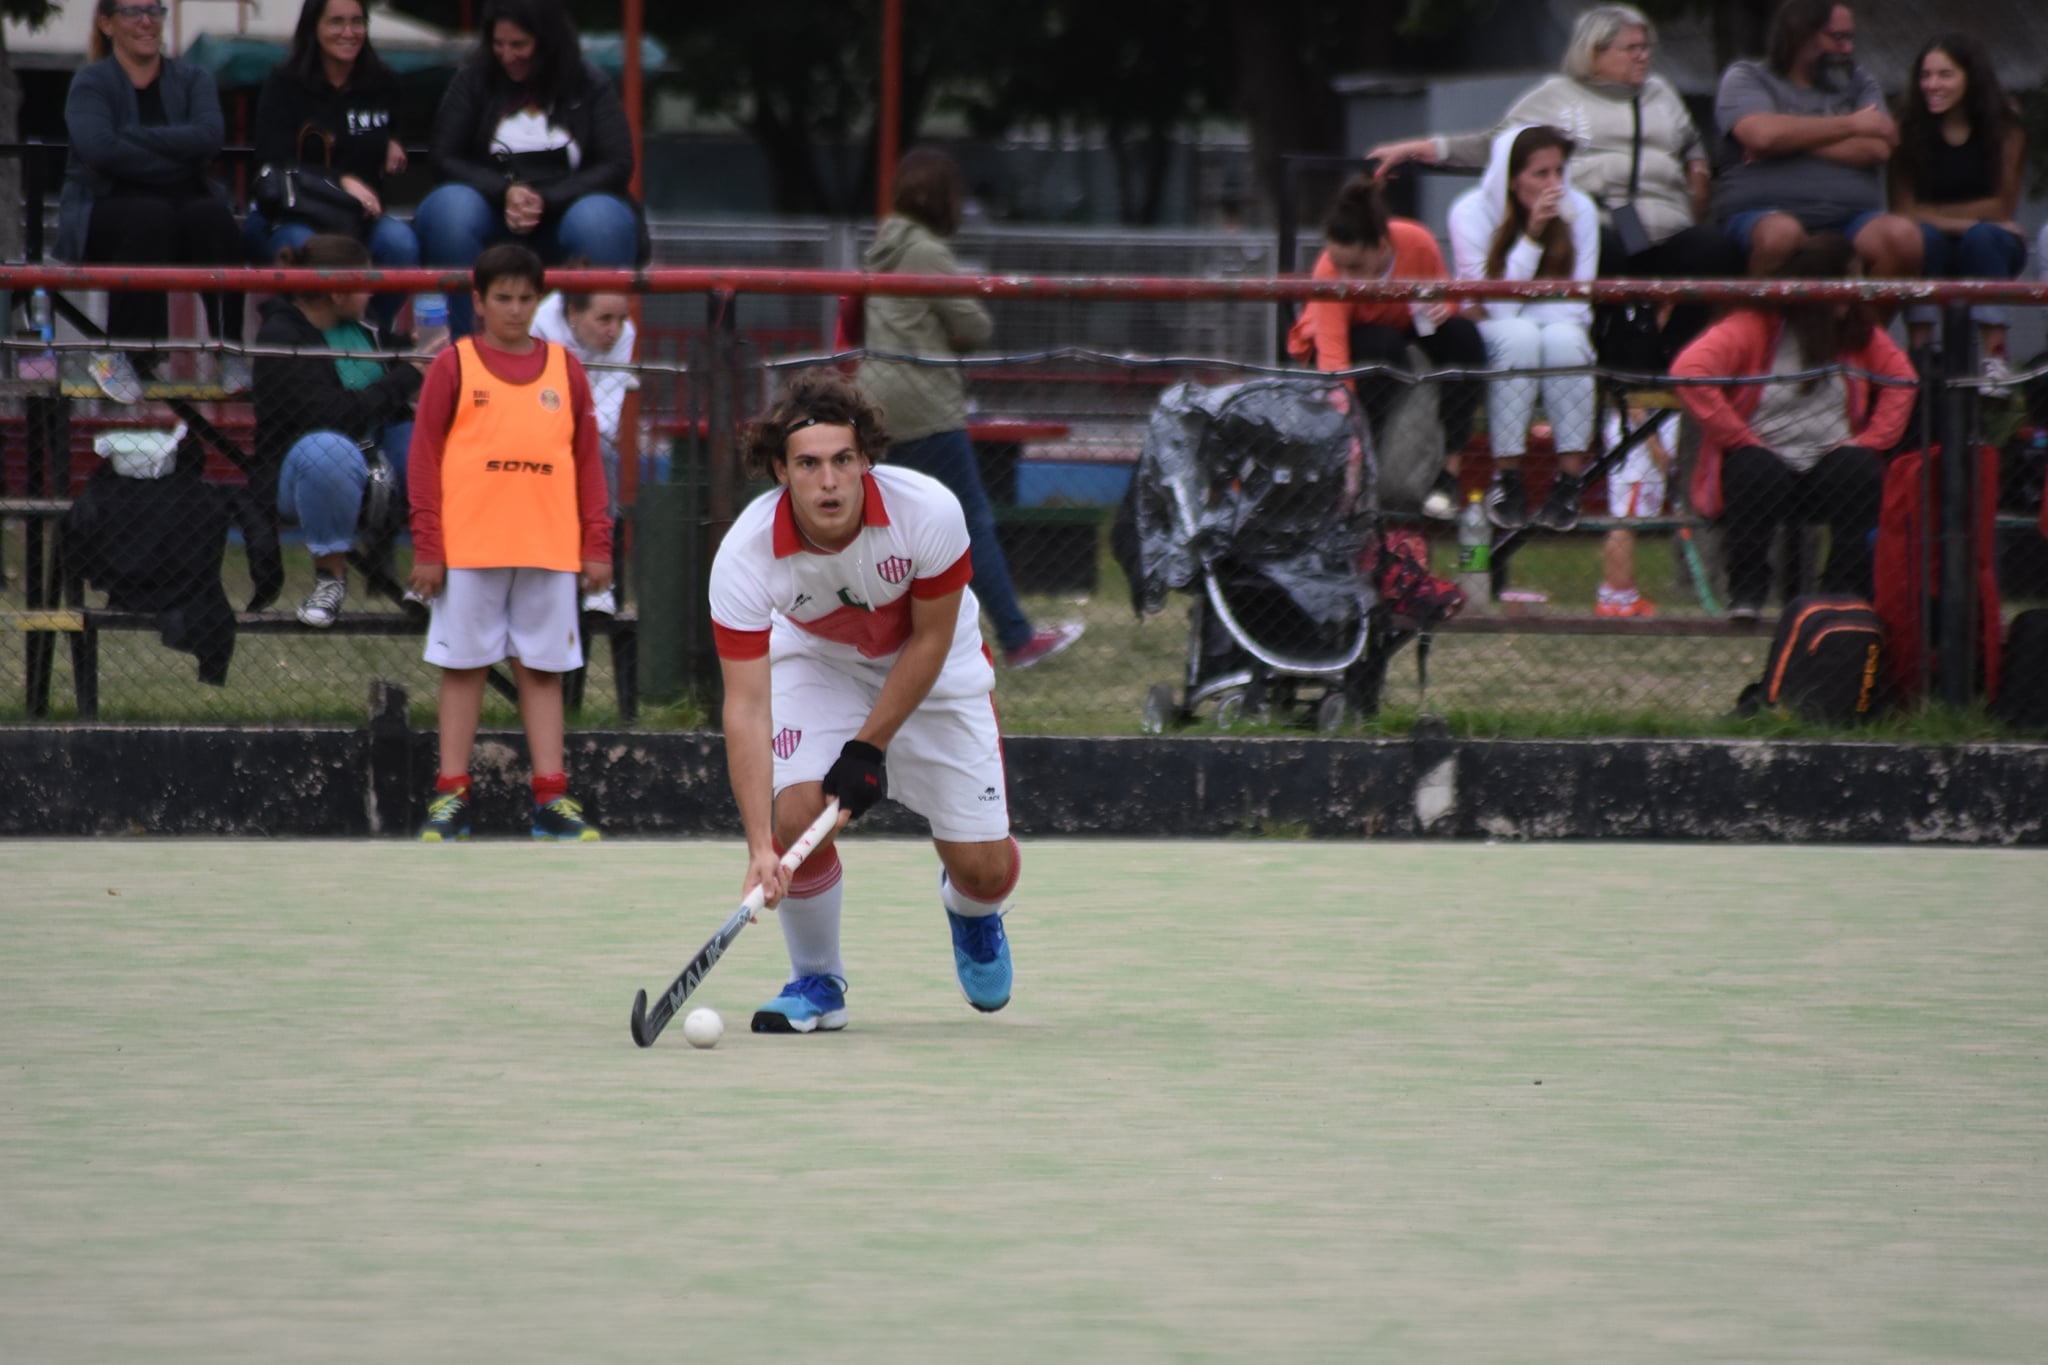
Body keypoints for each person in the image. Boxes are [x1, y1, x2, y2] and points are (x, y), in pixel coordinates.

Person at [708, 368, 1020, 1032]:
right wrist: (760, 845)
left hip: (935, 666)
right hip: (818, 660)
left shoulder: (928, 511)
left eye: (843, 460)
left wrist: (868, 745)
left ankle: (972, 912)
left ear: (866, 459)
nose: (829, 480)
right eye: (809, 463)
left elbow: (931, 639)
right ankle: (817, 979)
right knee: (797, 814)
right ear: (779, 470)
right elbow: (746, 707)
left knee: (985, 870)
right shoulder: (743, 555)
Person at [1367, 3, 1739, 359]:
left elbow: (1691, 141)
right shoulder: (1554, 98)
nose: (1644, 56)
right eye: (1631, 48)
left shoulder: (1662, 94)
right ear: (1594, 53)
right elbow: (1495, 145)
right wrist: (1417, 148)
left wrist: (1699, 171)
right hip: (1605, 222)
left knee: (1719, 252)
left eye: (1646, 48)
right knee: (1600, 249)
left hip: (1670, 225)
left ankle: (1673, 350)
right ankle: (1611, 353)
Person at [406, 243, 613, 841]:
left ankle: (551, 799)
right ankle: (450, 797)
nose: (516, 310)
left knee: (542, 671)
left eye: (527, 299)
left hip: (549, 548)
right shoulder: (454, 364)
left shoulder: (565, 368)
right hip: (470, 548)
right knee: (464, 668)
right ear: (478, 301)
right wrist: (429, 545)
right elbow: (424, 460)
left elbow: (586, 462)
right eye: (503, 298)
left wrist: (596, 542)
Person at [861, 147, 1083, 670]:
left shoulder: (882, 244)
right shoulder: (928, 252)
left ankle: (872, 642)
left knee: (886, 526)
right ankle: (1016, 635)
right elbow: (974, 324)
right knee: (970, 521)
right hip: (924, 400)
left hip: (877, 398)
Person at [1670, 233, 1915, 620]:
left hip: (1828, 466)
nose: (1856, 291)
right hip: (1767, 465)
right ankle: (1747, 593)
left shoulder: (1858, 331)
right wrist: (1740, 439)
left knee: (1860, 469)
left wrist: (1870, 440)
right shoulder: (1754, 324)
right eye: (1846, 281)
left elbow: (1902, 379)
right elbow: (1689, 370)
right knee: (1753, 469)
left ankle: (1841, 595)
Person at [412, 0, 641, 337]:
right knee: (450, 207)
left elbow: (618, 163)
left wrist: (545, 198)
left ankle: (586, 359)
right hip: (490, 213)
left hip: (568, 214)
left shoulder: (590, 84)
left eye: (519, 45)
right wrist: (505, 192)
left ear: (547, 41)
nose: (507, 55)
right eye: (498, 44)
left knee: (601, 219)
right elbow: (444, 156)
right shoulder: (473, 80)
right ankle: (465, 349)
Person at [59, 0, 248, 403]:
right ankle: (127, 354)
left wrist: (133, 137)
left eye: (154, 10)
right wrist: (178, 157)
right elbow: (99, 150)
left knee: (213, 216)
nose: (146, 21)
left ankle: (230, 348)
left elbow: (209, 136)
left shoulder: (194, 78)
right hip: (105, 213)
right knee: (149, 214)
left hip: (184, 208)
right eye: (132, 12)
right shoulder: (91, 83)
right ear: (107, 24)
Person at [254, 233, 438, 628]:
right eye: (364, 284)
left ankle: (432, 572)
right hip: (301, 469)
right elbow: (335, 415)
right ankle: (330, 579)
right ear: (337, 294)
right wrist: (409, 374)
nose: (372, 293)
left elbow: (394, 360)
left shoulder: (356, 328)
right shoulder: (282, 336)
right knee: (328, 449)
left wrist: (417, 349)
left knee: (435, 444)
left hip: (374, 450)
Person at [1285, 174, 1486, 520]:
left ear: (1382, 246)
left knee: (1465, 338)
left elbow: (1445, 298)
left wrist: (1444, 308)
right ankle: (1359, 475)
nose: (1345, 278)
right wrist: (1347, 436)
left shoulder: (1417, 243)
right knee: (1381, 348)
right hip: (1351, 345)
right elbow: (1334, 358)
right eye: (1339, 267)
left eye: (1356, 267)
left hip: (1403, 330)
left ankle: (1447, 475)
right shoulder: (1328, 272)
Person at [1448, 125, 1600, 532]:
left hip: (1558, 325)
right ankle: (1507, 480)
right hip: (1496, 329)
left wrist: (1535, 315)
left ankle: (1569, 482)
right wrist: (1532, 235)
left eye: (1559, 171)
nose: (1556, 184)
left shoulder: (1581, 210)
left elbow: (1577, 304)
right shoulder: (1470, 213)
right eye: (1541, 174)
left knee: (1565, 342)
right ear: (1512, 179)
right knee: (1519, 339)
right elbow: (1496, 308)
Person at [1712, 0, 1922, 281]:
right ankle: (1762, 325)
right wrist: (1852, 124)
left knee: (1902, 236)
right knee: (1781, 235)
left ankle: (1862, 327)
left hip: (1851, 217)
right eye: (1837, 37)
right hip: (1762, 213)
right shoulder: (1747, 77)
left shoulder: (1858, 82)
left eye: (1850, 38)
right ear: (1800, 34)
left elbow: (1879, 146)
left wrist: (1788, 138)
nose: (1847, 48)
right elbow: (1761, 135)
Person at [246, 0, 421, 335]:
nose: (348, 32)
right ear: (314, 27)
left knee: (400, 244)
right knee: (303, 248)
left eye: (357, 22)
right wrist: (342, 182)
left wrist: (393, 139)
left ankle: (369, 337)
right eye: (336, 22)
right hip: (289, 217)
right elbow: (271, 164)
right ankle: (308, 344)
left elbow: (389, 128)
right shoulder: (284, 83)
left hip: (360, 219)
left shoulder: (385, 84)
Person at [1888, 33, 2028, 390]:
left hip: (1991, 244)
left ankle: (1995, 357)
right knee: (1921, 238)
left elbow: (2002, 205)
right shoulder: (1906, 127)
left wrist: (1931, 212)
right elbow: (1902, 211)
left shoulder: (2005, 124)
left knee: (1982, 238)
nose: (1932, 85)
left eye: (1945, 75)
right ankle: (1920, 353)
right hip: (1938, 241)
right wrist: (1964, 222)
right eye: (1925, 75)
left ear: (1971, 77)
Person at [530, 282, 635, 613]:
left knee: (602, 455)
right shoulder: (540, 325)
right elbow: (540, 399)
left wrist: (580, 436)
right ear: (574, 313)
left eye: (621, 319)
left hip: (588, 437)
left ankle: (599, 582)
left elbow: (608, 409)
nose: (614, 331)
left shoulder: (626, 334)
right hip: (537, 431)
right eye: (605, 319)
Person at [1594, 405, 1676, 618]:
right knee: (1626, 522)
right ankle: (1619, 598)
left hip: (1639, 442)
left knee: (1625, 521)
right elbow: (1634, 405)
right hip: (1638, 450)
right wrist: (1653, 442)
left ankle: (1613, 594)